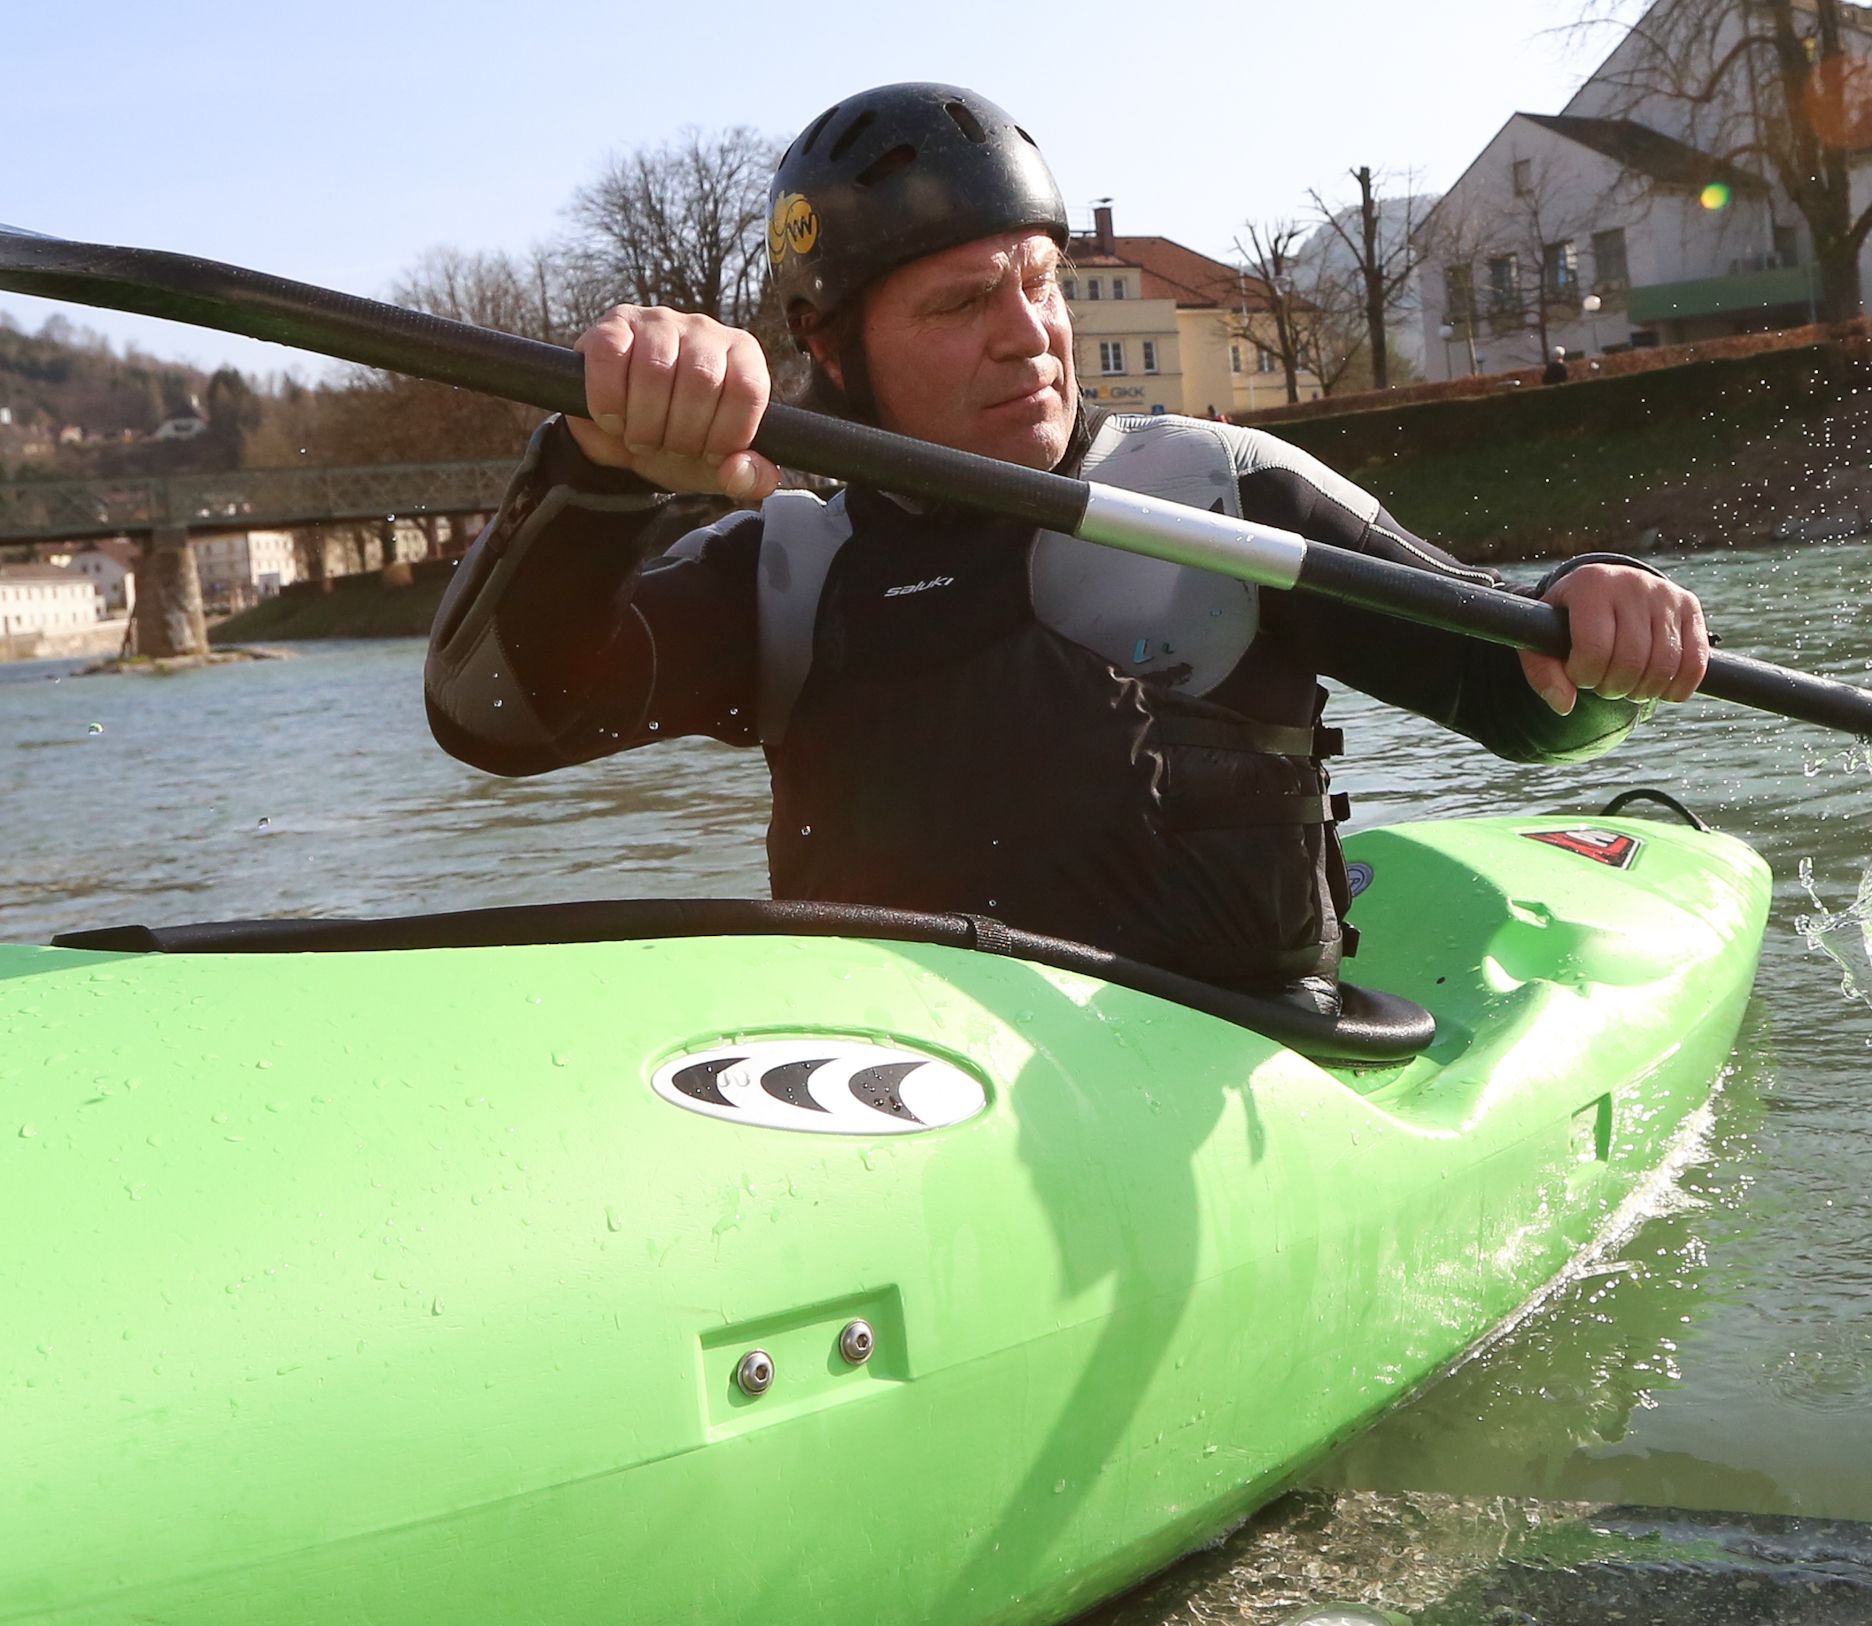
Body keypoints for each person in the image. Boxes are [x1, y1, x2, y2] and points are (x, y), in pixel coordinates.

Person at [425, 82, 1708, 1012]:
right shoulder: (787, 567)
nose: (1030, 332)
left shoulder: (1222, 493)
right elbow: (495, 715)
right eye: (963, 301)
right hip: (897, 1101)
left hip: (1234, 1066)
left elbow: (1519, 694)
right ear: (831, 347)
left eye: (1039, 280)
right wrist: (597, 477)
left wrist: (1585, 617)